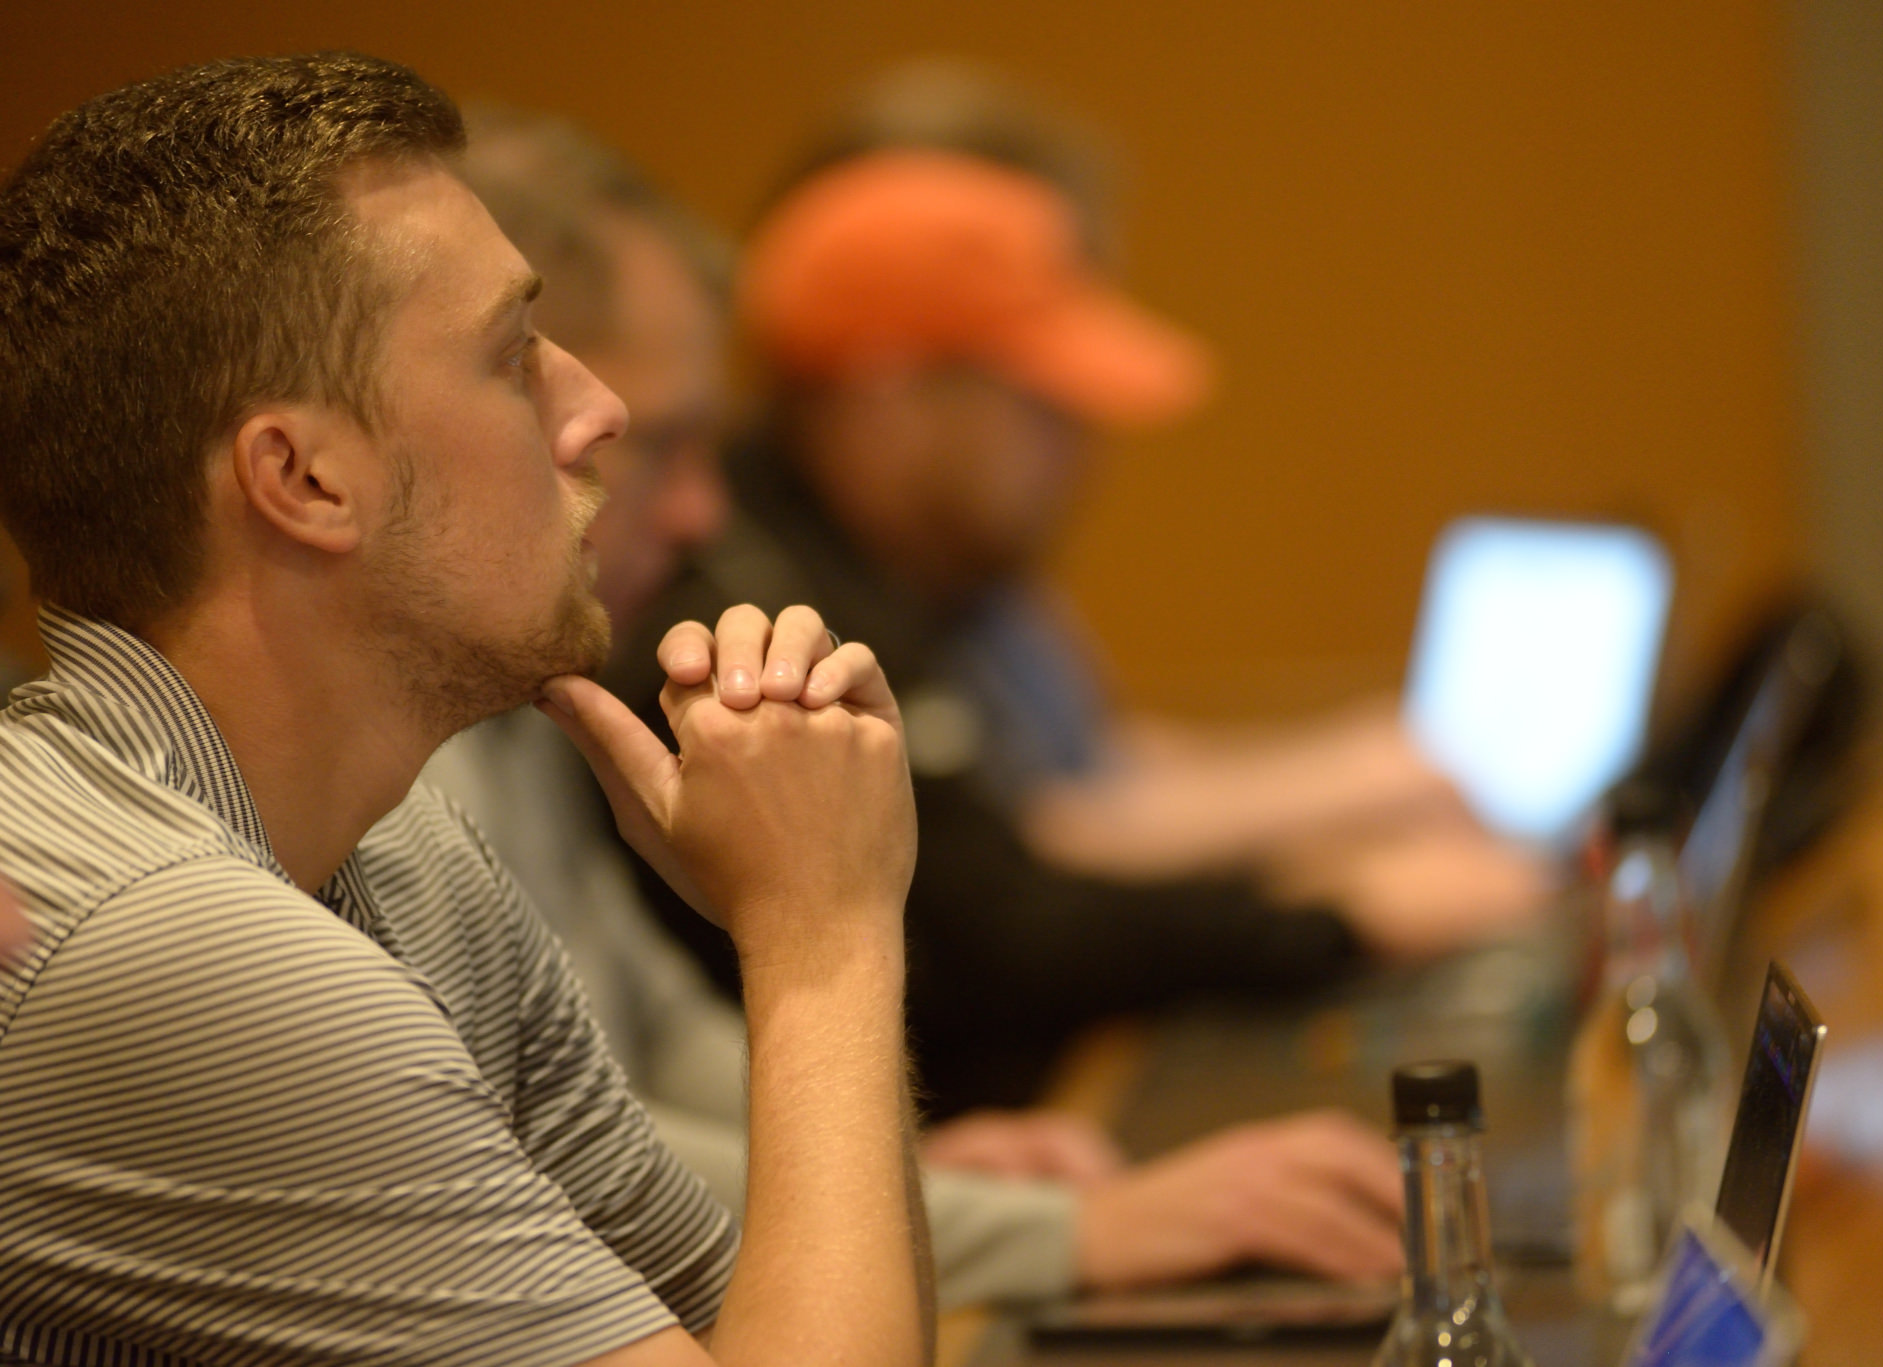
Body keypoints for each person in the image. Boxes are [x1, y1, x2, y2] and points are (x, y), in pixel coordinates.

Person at [0, 53, 929, 1365]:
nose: (598, 408)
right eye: (512, 357)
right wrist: (825, 932)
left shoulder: (414, 860)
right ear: (306, 477)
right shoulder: (165, 942)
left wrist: (826, 924)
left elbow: (777, 1325)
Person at [428, 106, 1407, 1304]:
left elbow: (638, 1052)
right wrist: (1055, 1231)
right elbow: (550, 1178)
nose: (699, 515)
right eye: (657, 443)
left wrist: (891, 1169)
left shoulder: (535, 687)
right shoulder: (686, 622)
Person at [620, 142, 1545, 1117]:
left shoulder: (908, 568)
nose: (1083, 448)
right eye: (1042, 405)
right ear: (888, 395)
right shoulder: (745, 609)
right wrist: (1339, 919)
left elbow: (1063, 825)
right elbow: (1004, 935)